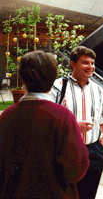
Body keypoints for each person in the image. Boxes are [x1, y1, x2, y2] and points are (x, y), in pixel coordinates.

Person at [0, 51, 89, 199]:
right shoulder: (63, 116)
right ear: (53, 78)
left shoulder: (7, 116)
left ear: (22, 79)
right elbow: (76, 167)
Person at [50, 46, 103, 199]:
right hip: (66, 150)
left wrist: (100, 148)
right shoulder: (57, 87)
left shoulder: (99, 90)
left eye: (92, 63)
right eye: (85, 63)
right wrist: (74, 127)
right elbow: (48, 121)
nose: (91, 67)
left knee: (88, 195)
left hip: (93, 152)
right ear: (73, 64)